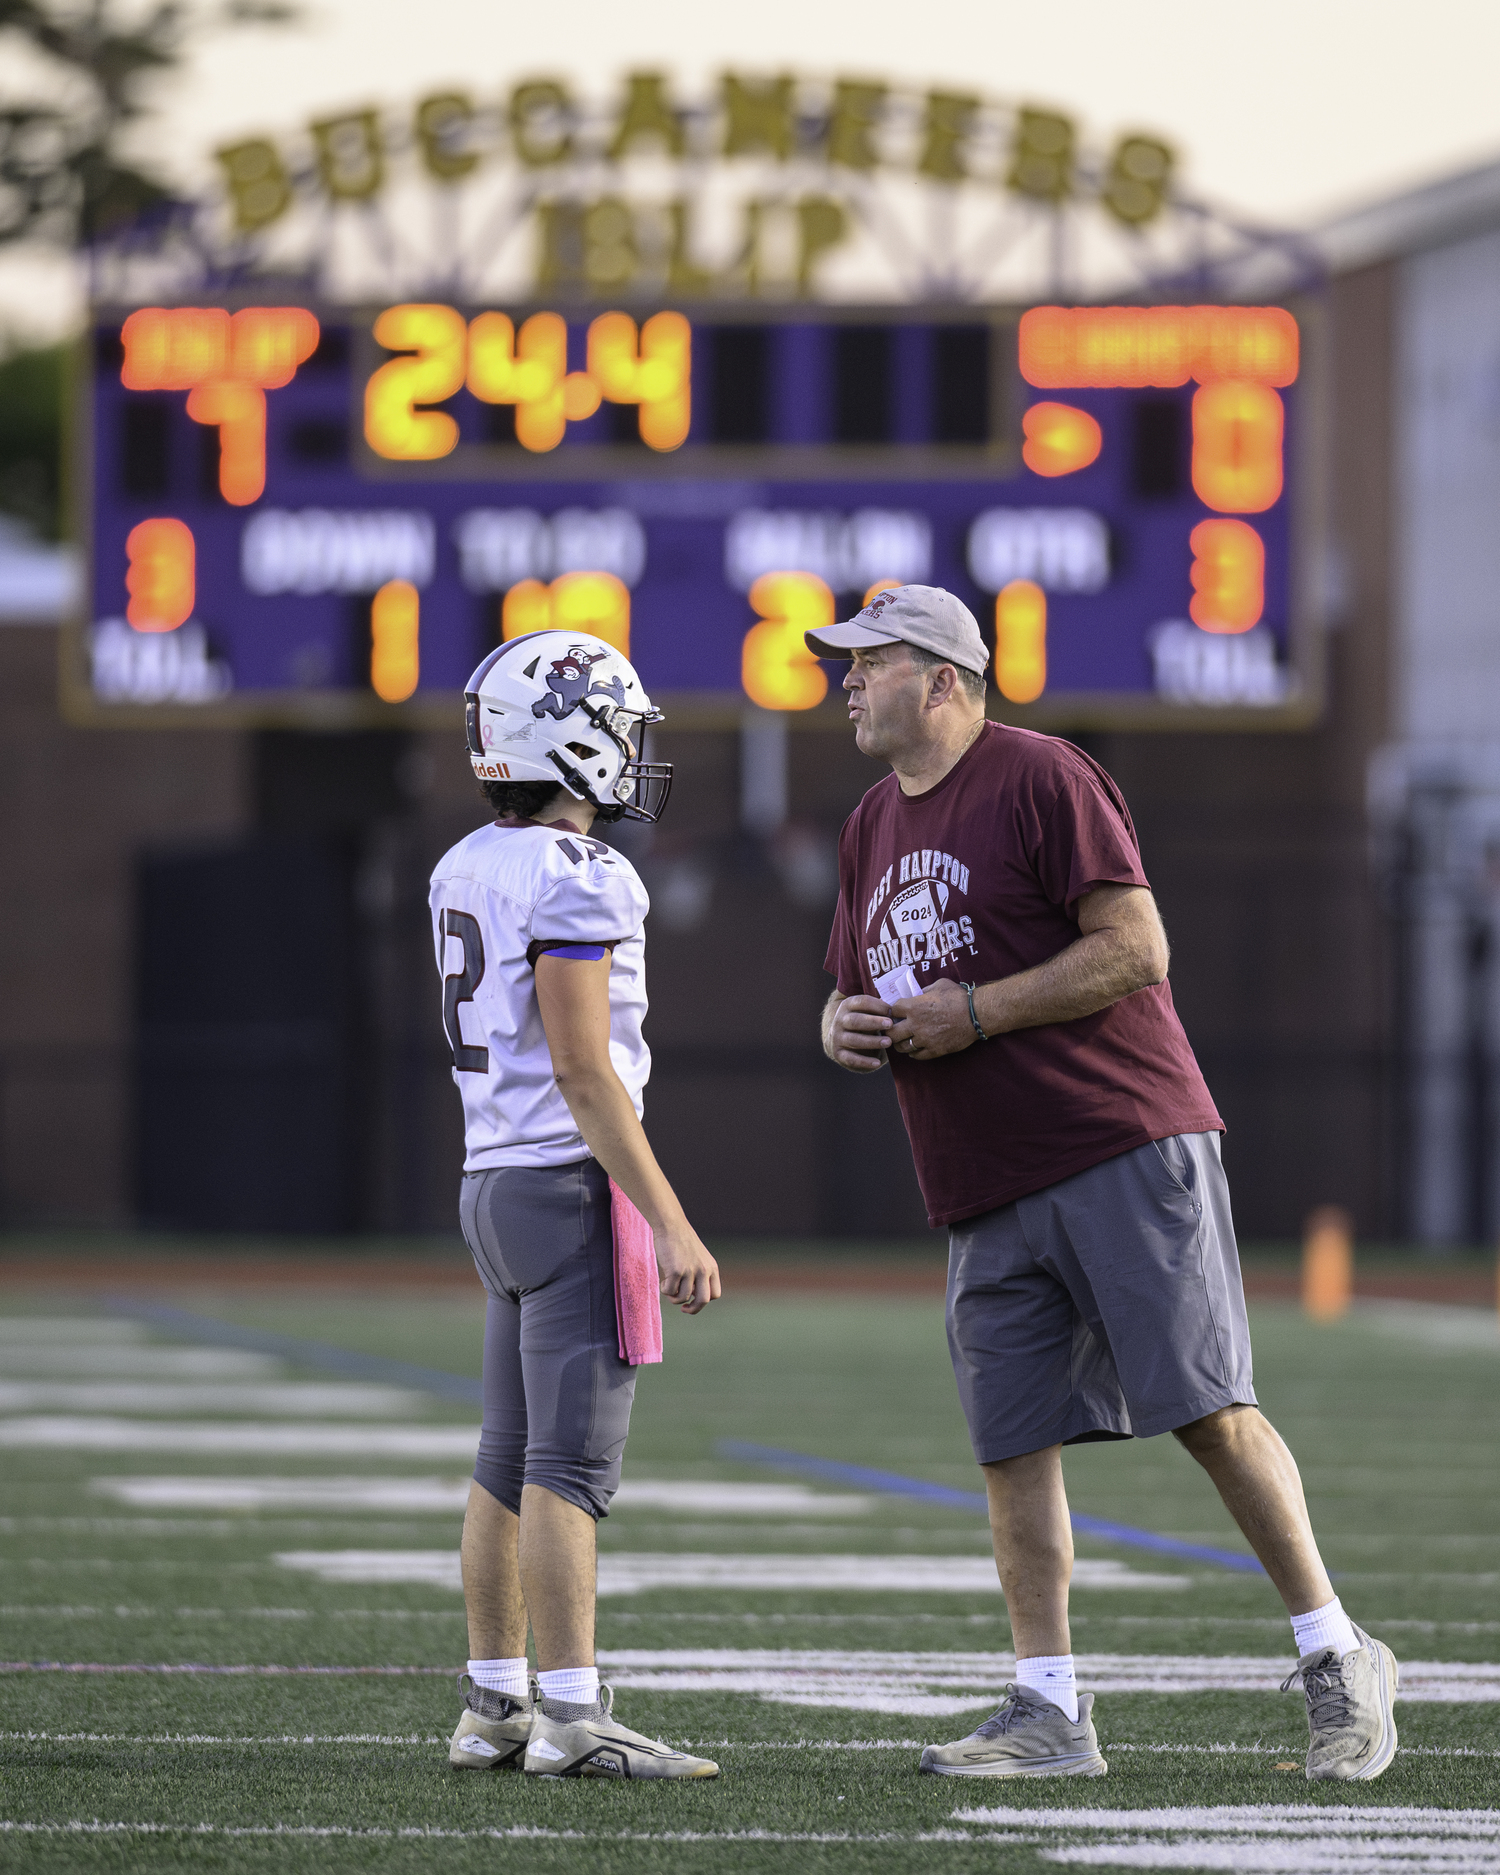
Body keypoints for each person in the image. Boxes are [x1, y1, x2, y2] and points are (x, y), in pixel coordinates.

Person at [814, 584, 1399, 1783]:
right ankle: (1049, 1709)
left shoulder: (1042, 775)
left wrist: (976, 1013)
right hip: (980, 1176)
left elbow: (1137, 949)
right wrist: (840, 1025)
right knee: (1013, 1445)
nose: (846, 682)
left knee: (1211, 1412)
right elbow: (849, 983)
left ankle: (1338, 1654)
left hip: (1115, 1140)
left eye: (869, 663)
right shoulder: (871, 819)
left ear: (945, 681)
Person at [429, 629, 721, 1781]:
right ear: (576, 737)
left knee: (507, 1455)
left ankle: (493, 1702)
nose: (637, 754)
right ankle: (571, 1716)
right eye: (624, 731)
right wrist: (672, 1217)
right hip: (567, 1185)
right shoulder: (578, 875)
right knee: (569, 1468)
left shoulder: (466, 863)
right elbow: (586, 1070)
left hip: (491, 1182)